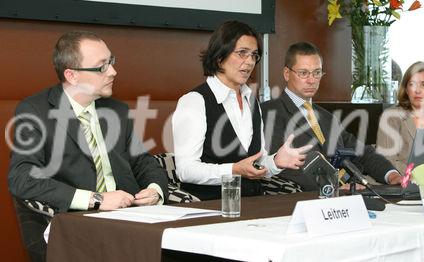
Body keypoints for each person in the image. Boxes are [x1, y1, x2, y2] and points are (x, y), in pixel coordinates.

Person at [8, 31, 169, 212]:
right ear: (72, 75)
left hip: (132, 214)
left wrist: (155, 191)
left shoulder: (117, 110)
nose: (113, 72)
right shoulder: (35, 111)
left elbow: (144, 162)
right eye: (102, 67)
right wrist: (96, 200)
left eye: (111, 62)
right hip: (79, 220)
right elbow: (22, 178)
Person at [172, 21, 311, 200]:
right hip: (208, 208)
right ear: (219, 56)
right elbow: (186, 170)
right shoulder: (194, 101)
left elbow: (255, 164)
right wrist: (233, 170)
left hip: (251, 206)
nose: (249, 62)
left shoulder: (251, 101)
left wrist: (276, 161)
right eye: (242, 53)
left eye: (254, 55)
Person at [261, 41, 401, 191]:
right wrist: (332, 186)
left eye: (317, 72)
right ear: (287, 74)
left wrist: (391, 175)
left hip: (341, 199)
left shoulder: (327, 117)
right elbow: (281, 168)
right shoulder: (269, 112)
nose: (312, 80)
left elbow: (361, 151)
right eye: (303, 73)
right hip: (300, 202)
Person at [376, 61, 424, 173]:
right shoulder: (391, 118)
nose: (418, 90)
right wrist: (419, 174)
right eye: (412, 84)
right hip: (398, 184)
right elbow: (387, 160)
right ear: (406, 89)